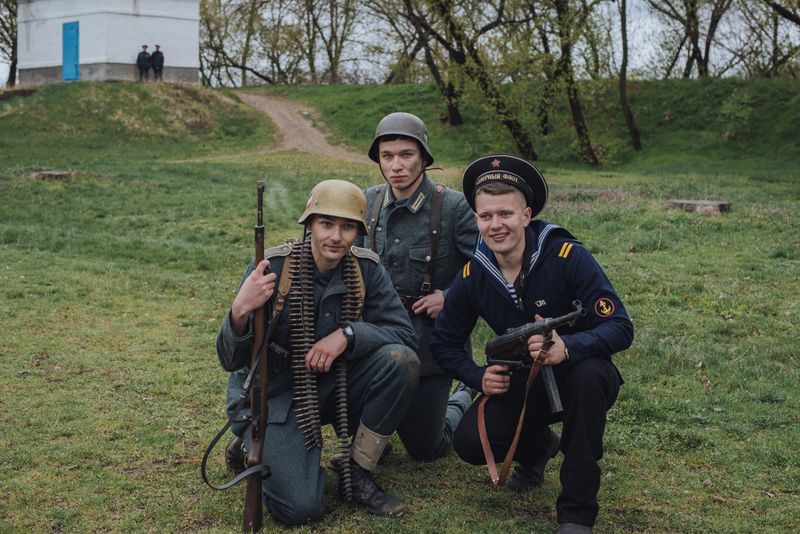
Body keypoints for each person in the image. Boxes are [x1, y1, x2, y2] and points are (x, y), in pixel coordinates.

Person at [430, 155, 633, 534]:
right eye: (486, 216)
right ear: (476, 219)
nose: (496, 225)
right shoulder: (473, 274)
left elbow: (620, 326)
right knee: (470, 443)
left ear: (526, 216)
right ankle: (539, 448)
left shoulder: (567, 256)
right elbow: (443, 343)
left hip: (581, 372)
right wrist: (477, 376)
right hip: (522, 379)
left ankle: (576, 514)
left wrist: (567, 347)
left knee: (588, 379)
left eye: (505, 214)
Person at [216, 180, 420, 525]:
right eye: (326, 224)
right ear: (309, 224)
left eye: (347, 227)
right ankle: (253, 442)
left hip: (331, 385)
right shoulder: (273, 267)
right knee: (301, 509)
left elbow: (404, 335)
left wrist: (348, 334)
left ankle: (358, 469)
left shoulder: (365, 268)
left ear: (358, 232)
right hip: (274, 398)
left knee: (400, 361)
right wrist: (239, 310)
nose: (336, 237)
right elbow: (229, 360)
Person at [363, 112, 479, 461]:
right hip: (376, 342)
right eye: (387, 156)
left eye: (406, 155)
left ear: (424, 158)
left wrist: (451, 297)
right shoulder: (366, 201)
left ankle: (465, 394)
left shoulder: (455, 207)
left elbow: (487, 267)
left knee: (427, 448)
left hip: (430, 347)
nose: (396, 165)